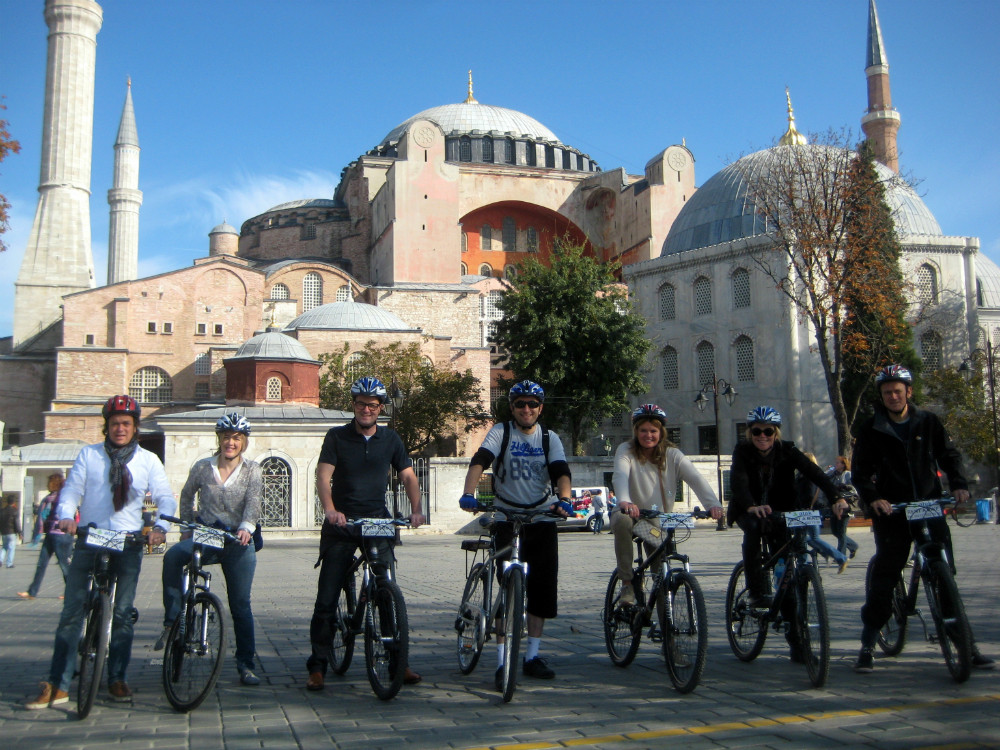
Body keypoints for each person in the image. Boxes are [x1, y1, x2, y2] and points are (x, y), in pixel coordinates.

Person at [25, 395, 176, 710]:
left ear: (135, 427)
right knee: (72, 613)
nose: (120, 429)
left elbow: (164, 496)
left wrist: (160, 527)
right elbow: (71, 491)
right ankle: (59, 683)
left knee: (122, 614)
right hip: (90, 538)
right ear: (106, 426)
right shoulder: (89, 455)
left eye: (126, 424)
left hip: (129, 541)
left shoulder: (148, 460)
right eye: (114, 423)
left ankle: (117, 677)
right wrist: (66, 515)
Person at [851, 365, 994, 673]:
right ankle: (868, 641)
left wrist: (958, 484)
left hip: (928, 506)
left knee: (946, 577)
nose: (892, 396)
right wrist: (874, 497)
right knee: (886, 575)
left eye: (897, 391)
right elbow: (860, 471)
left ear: (908, 392)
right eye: (887, 392)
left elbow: (949, 454)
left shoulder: (927, 421)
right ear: (881, 395)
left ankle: (965, 645)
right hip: (893, 511)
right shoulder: (871, 427)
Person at [306, 376, 425, 691]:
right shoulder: (336, 437)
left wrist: (416, 508)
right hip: (342, 523)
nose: (366, 409)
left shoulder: (391, 439)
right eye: (361, 404)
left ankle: (398, 661)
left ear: (380, 408)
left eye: (372, 405)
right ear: (354, 405)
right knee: (327, 597)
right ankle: (317, 666)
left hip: (377, 521)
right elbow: (323, 476)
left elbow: (409, 476)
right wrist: (331, 510)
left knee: (387, 591)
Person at [460, 380, 572, 688]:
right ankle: (501, 661)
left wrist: (565, 499)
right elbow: (481, 459)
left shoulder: (549, 438)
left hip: (541, 516)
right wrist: (469, 492)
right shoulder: (502, 432)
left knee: (542, 589)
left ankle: (532, 656)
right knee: (506, 588)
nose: (526, 409)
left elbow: (561, 470)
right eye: (520, 404)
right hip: (507, 516)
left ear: (540, 408)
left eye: (532, 405)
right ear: (512, 408)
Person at [728, 406, 849, 661]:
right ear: (750, 432)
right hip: (748, 508)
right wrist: (750, 505)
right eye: (757, 431)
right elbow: (737, 481)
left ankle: (797, 641)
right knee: (753, 531)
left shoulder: (788, 450)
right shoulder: (742, 451)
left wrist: (836, 496)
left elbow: (815, 472)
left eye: (768, 431)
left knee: (789, 573)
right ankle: (756, 589)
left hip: (782, 509)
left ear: (776, 433)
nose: (763, 436)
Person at [155, 412, 264, 686]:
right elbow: (187, 494)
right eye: (227, 437)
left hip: (236, 541)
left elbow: (253, 503)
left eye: (236, 438)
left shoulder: (253, 470)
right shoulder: (203, 467)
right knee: (173, 557)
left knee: (241, 604)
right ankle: (172, 619)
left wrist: (246, 527)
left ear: (244, 442)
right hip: (205, 535)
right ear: (219, 439)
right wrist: (187, 527)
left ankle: (246, 664)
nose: (231, 443)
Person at [611, 404, 722, 603]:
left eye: (653, 431)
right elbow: (620, 475)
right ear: (636, 431)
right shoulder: (626, 450)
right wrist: (625, 501)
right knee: (621, 520)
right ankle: (627, 583)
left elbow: (695, 478)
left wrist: (712, 504)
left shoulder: (672, 454)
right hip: (633, 516)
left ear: (661, 432)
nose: (648, 435)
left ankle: (666, 629)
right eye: (643, 430)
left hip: (655, 524)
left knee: (661, 578)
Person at [18, 474, 75, 598]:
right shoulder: (51, 498)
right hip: (51, 535)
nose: (48, 485)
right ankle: (32, 591)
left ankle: (70, 591)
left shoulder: (58, 498)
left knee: (64, 565)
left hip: (61, 536)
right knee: (41, 564)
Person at [797, 452, 848, 573]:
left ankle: (838, 557)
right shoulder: (810, 474)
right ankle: (830, 556)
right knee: (807, 538)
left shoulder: (806, 476)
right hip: (807, 510)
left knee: (809, 538)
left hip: (806, 510)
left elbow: (808, 493)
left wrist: (804, 506)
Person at [827, 455, 859, 559]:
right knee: (835, 531)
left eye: (838, 463)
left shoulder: (848, 474)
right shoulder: (833, 474)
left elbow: (854, 489)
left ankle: (840, 555)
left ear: (843, 464)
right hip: (834, 505)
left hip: (845, 506)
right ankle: (853, 546)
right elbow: (824, 479)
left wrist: (844, 486)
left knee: (841, 532)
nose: (836, 465)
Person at [1, 496, 22, 568]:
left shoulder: (2, 511)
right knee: (11, 548)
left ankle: (0, 560)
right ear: (13, 502)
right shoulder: (15, 511)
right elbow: (17, 522)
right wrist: (20, 532)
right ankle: (9, 563)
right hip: (12, 532)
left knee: (4, 547)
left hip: (4, 532)